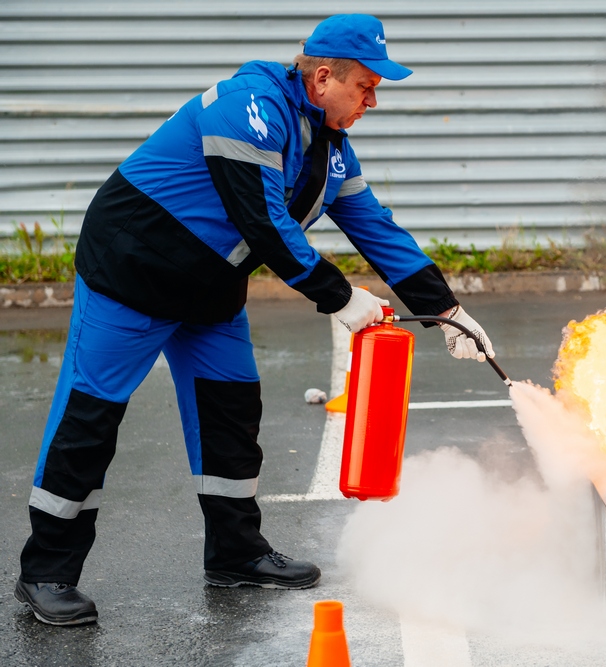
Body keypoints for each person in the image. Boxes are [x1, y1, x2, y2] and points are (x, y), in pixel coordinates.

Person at [15, 14, 495, 627]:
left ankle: (236, 554)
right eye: (367, 87)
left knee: (231, 412)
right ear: (324, 77)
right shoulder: (247, 108)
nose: (373, 101)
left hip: (210, 287)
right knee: (91, 417)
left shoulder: (328, 145)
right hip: (132, 271)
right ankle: (47, 572)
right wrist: (340, 299)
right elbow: (264, 224)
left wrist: (448, 312)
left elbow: (376, 227)